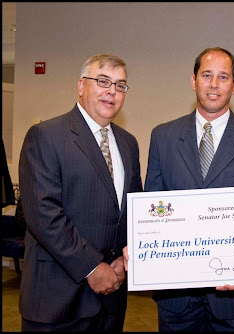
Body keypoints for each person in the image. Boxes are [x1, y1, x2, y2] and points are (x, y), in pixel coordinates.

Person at [127, 47, 234, 331]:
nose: (213, 84)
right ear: (193, 80)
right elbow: (153, 208)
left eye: (223, 77)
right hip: (177, 296)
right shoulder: (163, 137)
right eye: (206, 75)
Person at [18, 54, 143, 332]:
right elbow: (43, 213)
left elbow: (134, 209)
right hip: (59, 299)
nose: (112, 91)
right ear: (80, 86)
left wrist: (124, 260)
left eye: (120, 85)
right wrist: (93, 268)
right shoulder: (45, 136)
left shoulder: (127, 143)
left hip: (112, 297)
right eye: (103, 81)